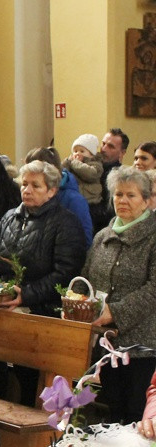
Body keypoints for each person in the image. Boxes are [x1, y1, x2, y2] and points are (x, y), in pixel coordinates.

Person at [0, 160, 87, 406]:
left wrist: (27, 294)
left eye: (35, 185)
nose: (27, 190)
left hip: (42, 313)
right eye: (24, 184)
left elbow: (65, 272)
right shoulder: (11, 217)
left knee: (29, 377)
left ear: (52, 191)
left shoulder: (65, 222)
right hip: (4, 309)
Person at [83, 167, 156, 424]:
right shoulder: (103, 236)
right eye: (118, 194)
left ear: (147, 200)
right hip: (107, 344)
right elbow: (87, 278)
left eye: (131, 195)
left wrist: (114, 312)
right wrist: (78, 301)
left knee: (137, 416)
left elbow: (153, 290)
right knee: (112, 413)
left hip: (144, 347)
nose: (122, 200)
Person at [25, 147, 93, 248]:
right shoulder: (27, 196)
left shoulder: (74, 201)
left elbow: (84, 242)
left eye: (35, 184)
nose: (27, 189)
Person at [95, 128, 130, 233]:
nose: (104, 149)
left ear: (122, 153)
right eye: (103, 143)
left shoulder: (120, 177)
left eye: (111, 146)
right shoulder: (92, 167)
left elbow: (110, 211)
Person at [62, 134, 104, 211]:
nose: (78, 153)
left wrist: (75, 162)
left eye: (82, 151)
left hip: (91, 202)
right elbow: (62, 171)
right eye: (75, 151)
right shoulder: (72, 163)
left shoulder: (96, 164)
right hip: (76, 200)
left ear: (91, 154)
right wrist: (67, 162)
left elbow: (90, 174)